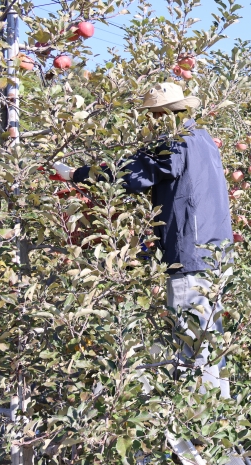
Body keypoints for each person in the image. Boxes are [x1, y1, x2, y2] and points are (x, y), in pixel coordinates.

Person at [53, 83, 233, 398]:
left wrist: (75, 175)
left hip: (190, 255)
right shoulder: (203, 138)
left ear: (162, 115)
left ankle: (195, 413)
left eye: (151, 116)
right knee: (209, 336)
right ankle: (220, 409)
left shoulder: (173, 143)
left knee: (191, 340)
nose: (148, 123)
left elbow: (131, 175)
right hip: (217, 253)